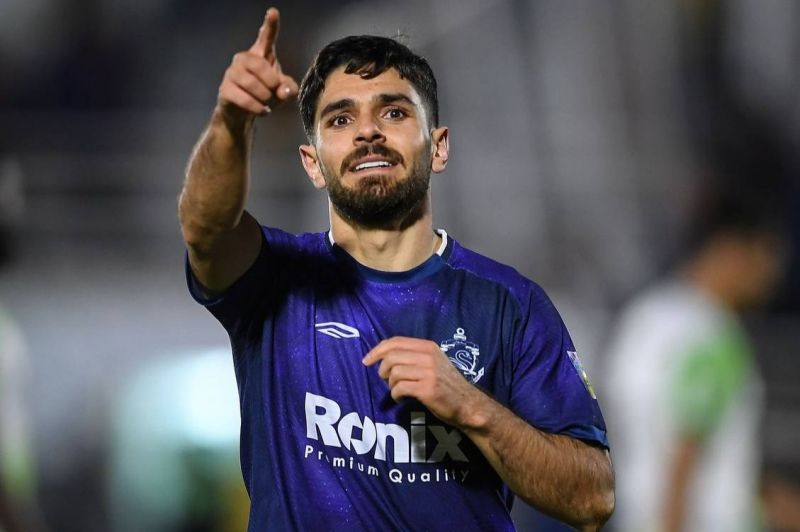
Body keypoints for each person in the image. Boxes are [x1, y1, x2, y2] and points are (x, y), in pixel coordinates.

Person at [178, 7, 614, 531]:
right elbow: (205, 226)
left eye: (393, 113)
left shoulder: (508, 303)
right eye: (340, 119)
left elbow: (592, 499)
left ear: (439, 147)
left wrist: (471, 407)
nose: (367, 131)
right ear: (313, 164)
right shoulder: (275, 280)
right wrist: (231, 120)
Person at [603, 191, 784, 531]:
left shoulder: (641, 318)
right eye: (766, 254)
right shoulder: (714, 335)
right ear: (731, 249)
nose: (771, 273)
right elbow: (684, 451)